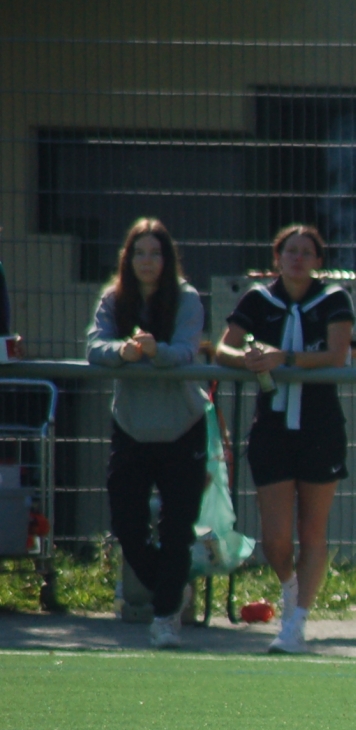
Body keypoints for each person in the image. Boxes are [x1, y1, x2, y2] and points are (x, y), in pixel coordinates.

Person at [214, 224, 353, 655]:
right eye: (290, 251)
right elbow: (223, 350)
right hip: (272, 428)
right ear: (277, 257)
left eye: (306, 252)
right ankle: (289, 587)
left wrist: (285, 359)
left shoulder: (334, 299)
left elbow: (336, 355)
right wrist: (250, 359)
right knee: (275, 538)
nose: (297, 258)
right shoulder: (258, 299)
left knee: (312, 530)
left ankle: (297, 622)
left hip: (320, 427)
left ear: (318, 260)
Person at [85, 218, 211, 649]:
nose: (147, 261)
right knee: (127, 525)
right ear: (128, 258)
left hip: (182, 427)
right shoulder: (113, 299)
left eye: (155, 253)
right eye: (139, 252)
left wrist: (157, 352)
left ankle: (164, 618)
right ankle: (171, 590)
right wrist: (121, 351)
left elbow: (187, 351)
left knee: (177, 529)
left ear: (168, 259)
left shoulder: (187, 298)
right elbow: (94, 347)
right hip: (131, 427)